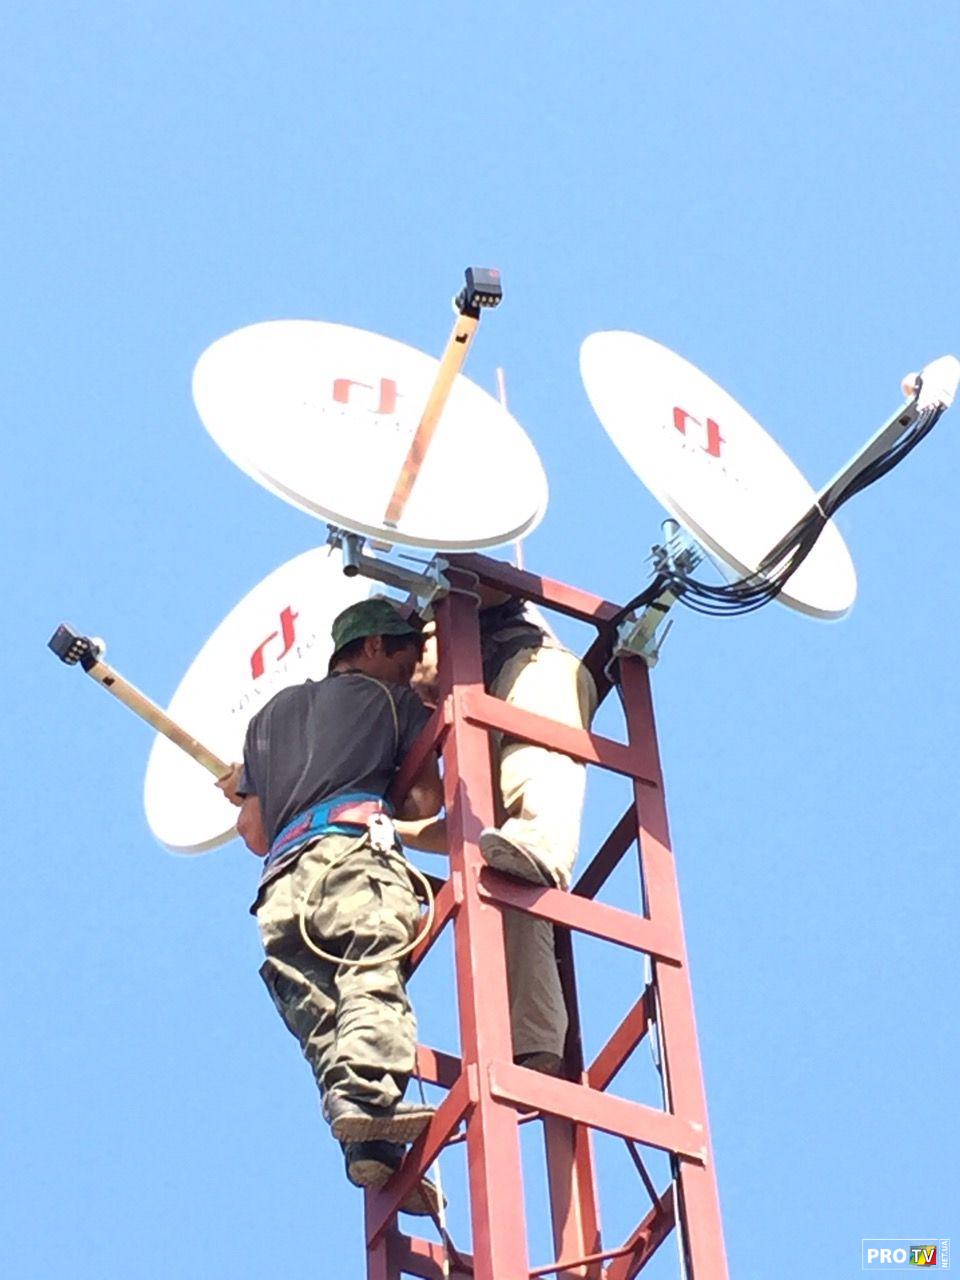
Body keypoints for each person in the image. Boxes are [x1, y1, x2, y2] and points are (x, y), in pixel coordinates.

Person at [218, 597, 444, 1214]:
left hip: (280, 886)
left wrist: (264, 783)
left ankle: (368, 1146)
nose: (411, 668)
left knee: (324, 1023)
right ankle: (368, 1099)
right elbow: (424, 804)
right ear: (371, 646)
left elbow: (254, 832)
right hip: (349, 853)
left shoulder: (269, 716)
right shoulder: (393, 701)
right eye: (405, 654)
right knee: (370, 973)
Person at [397, 588, 597, 1076]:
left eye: (413, 667)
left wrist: (437, 603)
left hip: (529, 671)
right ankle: (535, 1044)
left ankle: (546, 844)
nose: (418, 693)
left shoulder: (493, 628)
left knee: (535, 767)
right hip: (483, 711)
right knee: (506, 882)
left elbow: (485, 581)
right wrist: (390, 828)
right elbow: (459, 828)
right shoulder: (455, 711)